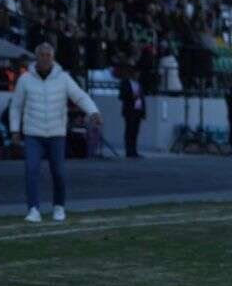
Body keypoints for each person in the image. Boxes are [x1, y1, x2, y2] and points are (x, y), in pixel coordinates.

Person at [10, 43, 101, 223]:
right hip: (33, 133)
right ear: (36, 57)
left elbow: (79, 96)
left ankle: (59, 206)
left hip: (56, 134)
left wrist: (93, 112)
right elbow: (16, 107)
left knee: (59, 173)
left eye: (48, 55)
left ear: (53, 58)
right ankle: (33, 209)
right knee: (31, 171)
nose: (45, 58)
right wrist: (14, 130)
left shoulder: (63, 78)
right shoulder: (25, 79)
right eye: (42, 55)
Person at [117, 65, 147, 159]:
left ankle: (134, 150)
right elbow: (121, 96)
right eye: (136, 74)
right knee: (129, 130)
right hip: (130, 110)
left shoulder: (139, 84)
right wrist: (131, 96)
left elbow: (142, 98)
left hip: (138, 110)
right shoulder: (125, 83)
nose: (138, 76)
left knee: (135, 131)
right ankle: (128, 151)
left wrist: (143, 112)